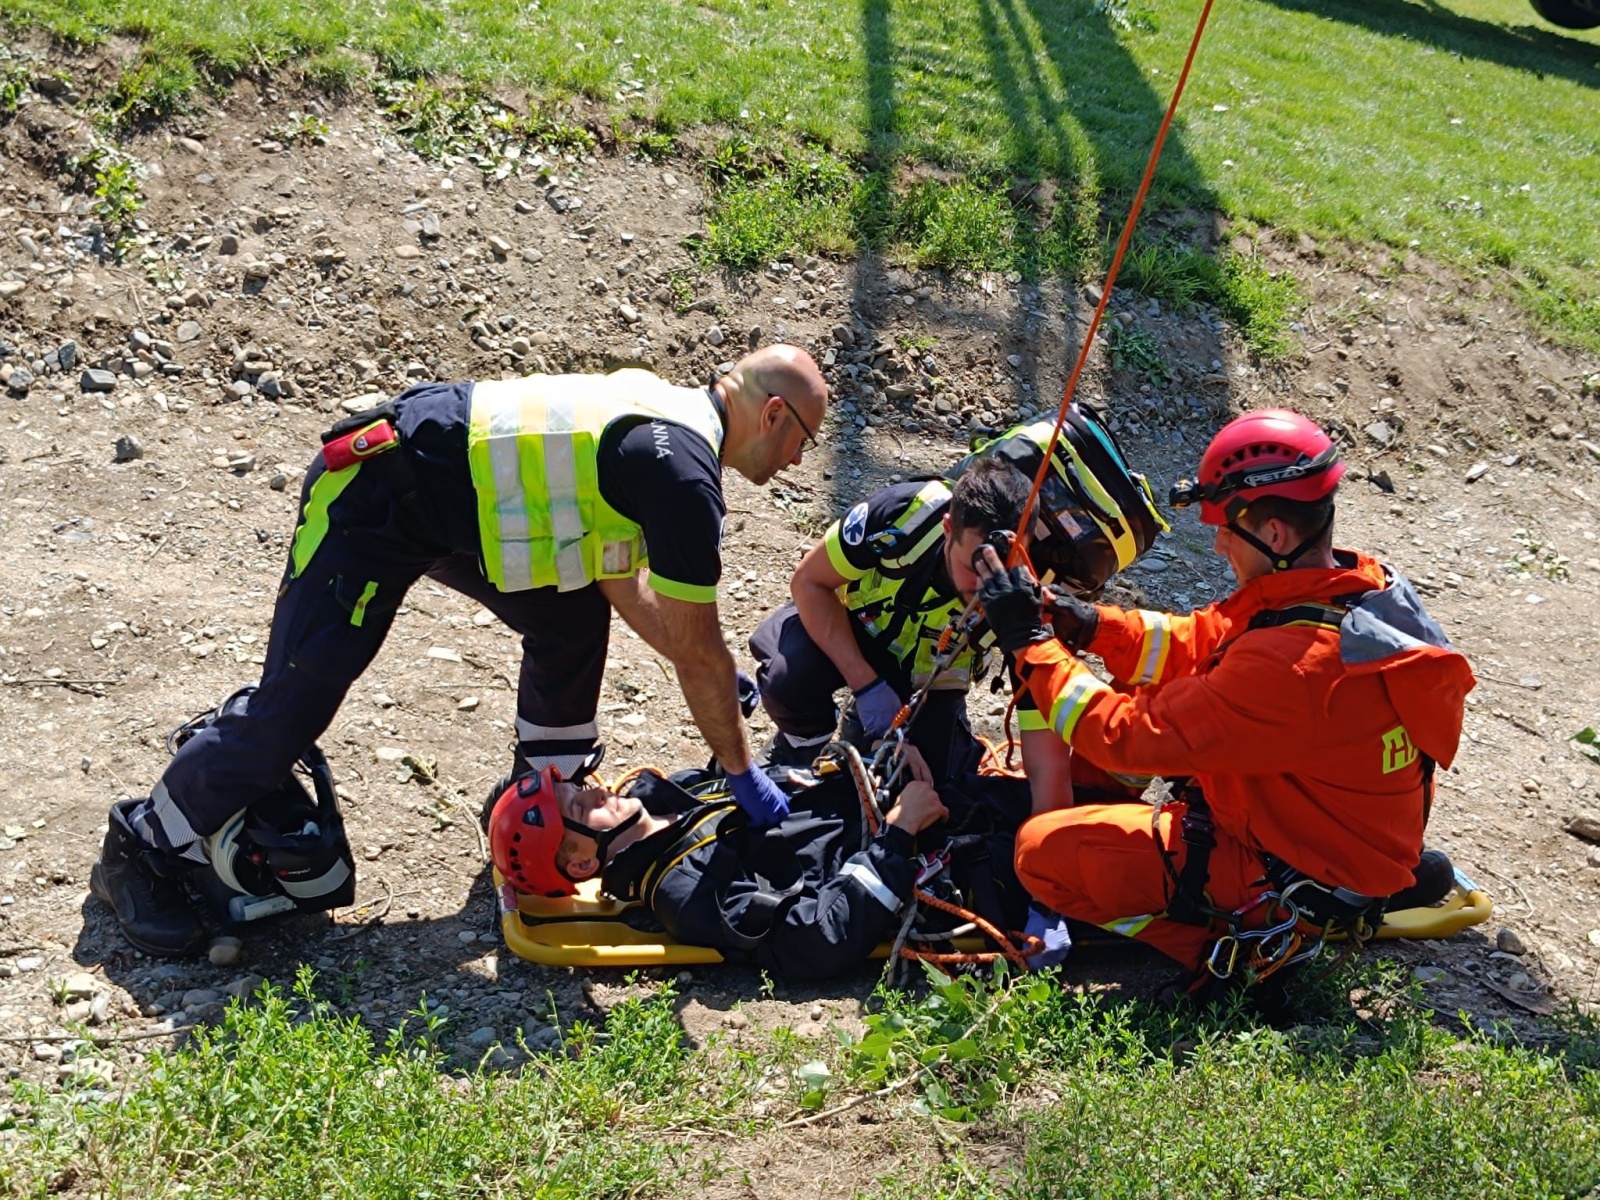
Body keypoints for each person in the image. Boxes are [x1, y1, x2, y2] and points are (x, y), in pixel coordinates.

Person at [92, 348, 828, 956]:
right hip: (373, 496)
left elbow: (612, 578)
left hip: (447, 504)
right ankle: (145, 843)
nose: (799, 460)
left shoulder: (663, 416)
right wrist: (738, 768)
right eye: (804, 439)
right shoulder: (682, 474)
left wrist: (712, 673)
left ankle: (545, 802)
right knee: (296, 701)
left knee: (570, 618)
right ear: (770, 414)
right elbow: (695, 643)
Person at [974, 408, 1475, 983]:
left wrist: (1031, 644)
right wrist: (1092, 626)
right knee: (1150, 675)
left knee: (1041, 853)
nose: (1216, 546)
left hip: (1284, 873)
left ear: (1275, 534)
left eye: (1224, 529)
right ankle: (1121, 835)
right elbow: (1200, 640)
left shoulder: (1292, 666)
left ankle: (1245, 954)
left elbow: (1121, 737)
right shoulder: (1349, 591)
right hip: (1326, 832)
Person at [489, 761, 958, 980]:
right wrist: (898, 834)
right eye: (580, 805)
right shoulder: (688, 892)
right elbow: (818, 938)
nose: (594, 791)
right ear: (583, 862)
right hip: (939, 845)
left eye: (578, 787)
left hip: (899, 792)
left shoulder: (677, 794)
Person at [749, 458, 1032, 782]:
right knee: (789, 680)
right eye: (972, 568)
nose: (985, 589)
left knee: (929, 783)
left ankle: (880, 739)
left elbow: (1040, 709)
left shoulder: (1027, 587)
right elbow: (808, 582)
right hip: (856, 631)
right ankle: (795, 747)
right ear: (948, 528)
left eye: (997, 572)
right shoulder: (904, 514)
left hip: (928, 682)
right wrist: (867, 686)